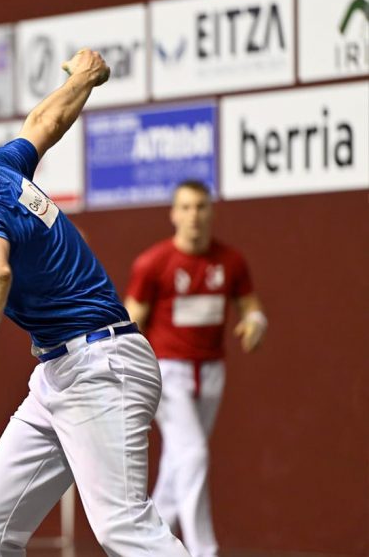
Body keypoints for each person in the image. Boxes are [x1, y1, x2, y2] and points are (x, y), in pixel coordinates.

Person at [0, 50, 189, 556]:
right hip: (59, 375)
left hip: (100, 366)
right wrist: (86, 77)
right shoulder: (0, 166)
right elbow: (45, 120)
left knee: (124, 530)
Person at [123, 180, 267, 557]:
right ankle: (204, 550)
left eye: (201, 207)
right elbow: (130, 320)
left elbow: (251, 307)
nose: (194, 216)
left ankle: (142, 546)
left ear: (211, 212)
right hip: (167, 373)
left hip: (212, 372)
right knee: (193, 455)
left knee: (179, 464)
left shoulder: (231, 261)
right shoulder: (153, 263)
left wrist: (255, 323)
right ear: (173, 214)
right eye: (185, 208)